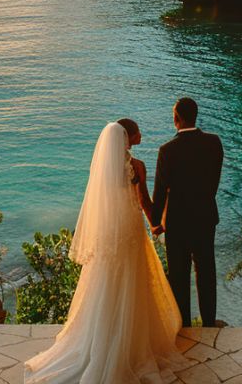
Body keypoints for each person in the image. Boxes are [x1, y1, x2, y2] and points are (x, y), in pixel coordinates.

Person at [24, 120, 182, 384]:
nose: (141, 134)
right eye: (137, 131)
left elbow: (100, 203)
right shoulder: (137, 167)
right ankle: (129, 343)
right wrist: (158, 222)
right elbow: (143, 200)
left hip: (110, 232)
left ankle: (99, 340)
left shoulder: (104, 169)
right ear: (128, 137)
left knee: (106, 284)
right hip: (130, 231)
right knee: (132, 283)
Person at [151, 97, 224, 328]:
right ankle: (209, 323)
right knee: (206, 272)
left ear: (176, 118)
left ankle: (184, 324)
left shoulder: (167, 150)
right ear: (196, 115)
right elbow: (214, 181)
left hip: (178, 221)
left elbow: (160, 191)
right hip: (205, 216)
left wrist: (155, 221)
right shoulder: (214, 143)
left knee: (179, 275)